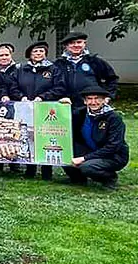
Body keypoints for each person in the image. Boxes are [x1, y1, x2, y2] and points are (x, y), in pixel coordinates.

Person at [61, 85, 129, 189]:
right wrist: (63, 106)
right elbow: (62, 119)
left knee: (87, 167)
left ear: (104, 100)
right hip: (90, 150)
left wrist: (83, 158)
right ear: (85, 101)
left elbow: (113, 146)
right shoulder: (81, 113)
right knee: (64, 154)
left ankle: (109, 178)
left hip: (113, 156)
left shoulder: (114, 118)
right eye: (89, 99)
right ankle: (78, 179)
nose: (93, 102)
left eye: (97, 98)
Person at [17, 41, 65, 180]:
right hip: (26, 108)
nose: (38, 54)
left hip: (46, 109)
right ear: (30, 54)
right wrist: (22, 97)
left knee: (45, 138)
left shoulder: (53, 69)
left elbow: (59, 88)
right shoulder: (21, 69)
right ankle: (29, 169)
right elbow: (13, 86)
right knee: (28, 137)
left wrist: (43, 97)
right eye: (35, 51)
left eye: (41, 51)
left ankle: (46, 171)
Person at [53, 32, 119, 108]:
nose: (76, 45)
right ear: (66, 46)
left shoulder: (94, 61)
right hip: (65, 105)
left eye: (79, 42)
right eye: (72, 43)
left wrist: (108, 96)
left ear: (84, 44)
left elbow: (112, 79)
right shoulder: (58, 64)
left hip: (91, 105)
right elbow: (51, 84)